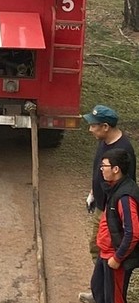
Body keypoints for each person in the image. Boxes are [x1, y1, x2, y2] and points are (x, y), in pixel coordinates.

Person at [80, 105, 136, 303]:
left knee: (107, 252)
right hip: (102, 204)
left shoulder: (122, 151)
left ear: (105, 126)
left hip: (111, 212)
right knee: (97, 246)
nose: (90, 129)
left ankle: (107, 291)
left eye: (93, 126)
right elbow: (100, 170)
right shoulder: (104, 141)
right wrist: (93, 192)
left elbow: (124, 188)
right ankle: (100, 291)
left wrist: (112, 216)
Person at [87, 148, 139, 303]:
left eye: (104, 166)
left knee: (114, 298)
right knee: (98, 290)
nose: (101, 170)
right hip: (105, 253)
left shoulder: (125, 197)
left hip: (115, 257)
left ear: (116, 169)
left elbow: (133, 232)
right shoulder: (114, 188)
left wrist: (117, 258)